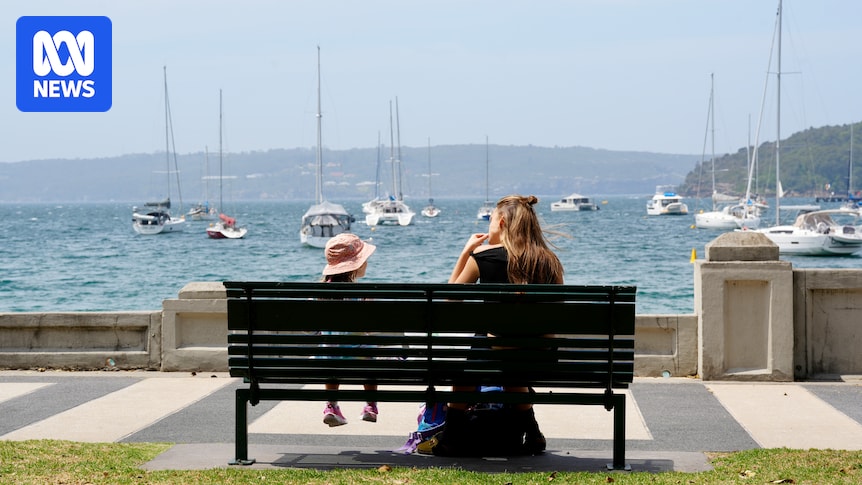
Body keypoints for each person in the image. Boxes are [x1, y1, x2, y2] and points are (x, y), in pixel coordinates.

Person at [431, 194, 564, 455]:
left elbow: (448, 301)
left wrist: (467, 252)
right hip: (539, 357)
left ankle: (450, 438)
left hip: (497, 353)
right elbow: (557, 313)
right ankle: (533, 432)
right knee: (508, 355)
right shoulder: (549, 260)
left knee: (481, 349)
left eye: (491, 219)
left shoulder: (484, 257)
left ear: (501, 222)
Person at [319, 233, 379, 427]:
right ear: (356, 264)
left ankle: (331, 405)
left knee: (330, 350)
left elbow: (309, 329)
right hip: (360, 360)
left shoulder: (317, 295)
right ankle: (370, 405)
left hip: (328, 360)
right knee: (369, 352)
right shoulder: (360, 295)